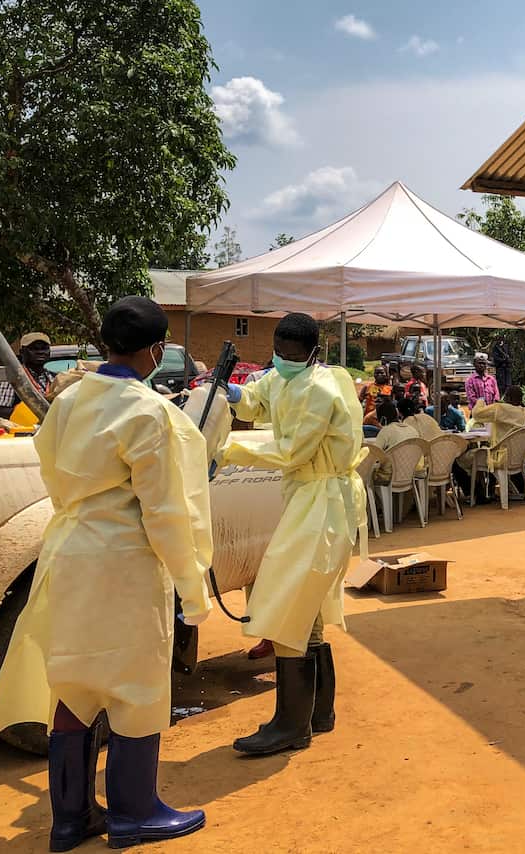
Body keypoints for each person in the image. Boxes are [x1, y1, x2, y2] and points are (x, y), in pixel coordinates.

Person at [0, 297, 213, 849]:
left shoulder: (69, 399)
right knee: (136, 687)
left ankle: (70, 818)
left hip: (67, 551)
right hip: (123, 563)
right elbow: (165, 512)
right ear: (156, 350)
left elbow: (48, 461)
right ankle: (135, 814)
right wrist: (191, 586)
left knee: (74, 687)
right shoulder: (148, 411)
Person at [221, 312, 366, 756]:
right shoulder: (284, 376)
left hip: (323, 500)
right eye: (278, 353)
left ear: (311, 353)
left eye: (291, 355)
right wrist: (229, 393)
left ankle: (290, 724)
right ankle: (317, 713)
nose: (282, 360)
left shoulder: (320, 389)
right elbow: (257, 399)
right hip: (306, 496)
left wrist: (227, 451)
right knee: (309, 606)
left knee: (287, 602)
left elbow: (290, 451)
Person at [458, 386, 525, 497]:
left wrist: (481, 400)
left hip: (499, 459)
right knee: (488, 452)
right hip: (521, 459)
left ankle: (477, 494)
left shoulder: (501, 409)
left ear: (509, 397)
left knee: (461, 458)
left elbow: (477, 414)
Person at [0, 332, 57, 419]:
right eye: (34, 349)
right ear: (22, 352)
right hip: (22, 430)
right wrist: (28, 414)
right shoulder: (11, 377)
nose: (40, 352)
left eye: (44, 348)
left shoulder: (54, 378)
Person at [371, 399, 420, 485]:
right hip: (410, 473)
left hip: (389, 476)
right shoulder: (412, 429)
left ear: (383, 418)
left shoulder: (386, 431)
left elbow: (375, 455)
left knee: (368, 477)